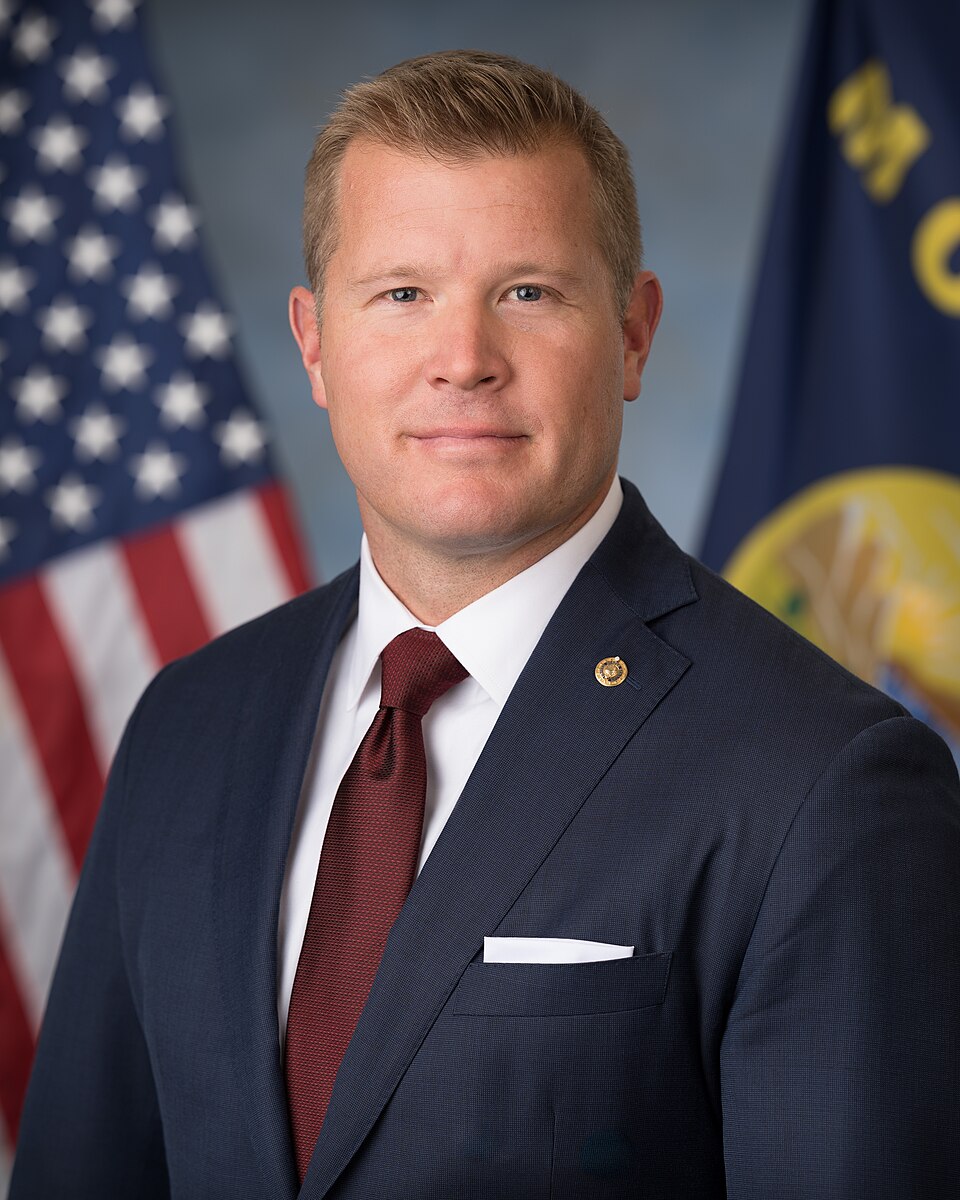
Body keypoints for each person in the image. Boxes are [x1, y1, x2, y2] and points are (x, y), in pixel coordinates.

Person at [11, 49, 960, 1200]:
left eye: (530, 293)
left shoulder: (824, 777)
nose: (463, 361)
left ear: (634, 336)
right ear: (315, 343)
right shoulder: (189, 722)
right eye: (403, 294)